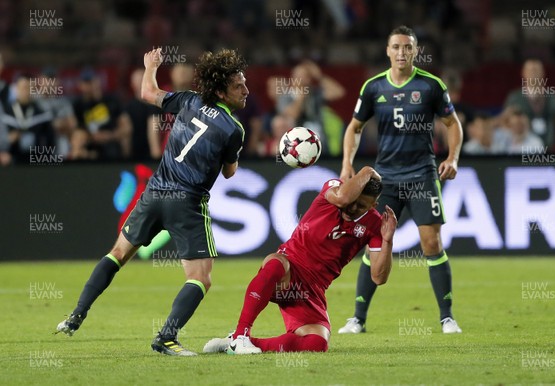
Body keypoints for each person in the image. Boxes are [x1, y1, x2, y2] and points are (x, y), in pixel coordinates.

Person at [55, 47, 249, 357]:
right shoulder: (233, 129)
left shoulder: (187, 99)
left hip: (155, 192)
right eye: (239, 85)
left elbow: (148, 92)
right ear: (222, 90)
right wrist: (231, 158)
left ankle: (76, 315)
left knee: (118, 254)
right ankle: (166, 338)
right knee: (200, 278)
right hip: (187, 202)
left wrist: (151, 66)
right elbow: (228, 172)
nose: (246, 90)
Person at [338, 25, 464, 335]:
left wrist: (452, 157)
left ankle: (447, 317)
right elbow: (354, 127)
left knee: (431, 242)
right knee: (375, 247)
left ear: (415, 51)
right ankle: (358, 319)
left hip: (422, 174)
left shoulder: (431, 86)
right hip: (386, 178)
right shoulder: (373, 88)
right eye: (396, 47)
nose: (401, 53)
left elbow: (452, 123)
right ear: (387, 50)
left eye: (407, 47)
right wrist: (346, 165)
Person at [203, 167, 397, 354]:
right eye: (354, 200)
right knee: (275, 264)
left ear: (373, 206)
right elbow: (343, 197)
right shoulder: (333, 189)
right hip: (290, 267)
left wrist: (388, 240)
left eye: (361, 206)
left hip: (312, 289)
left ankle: (239, 344)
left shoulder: (374, 224)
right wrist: (368, 171)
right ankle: (241, 334)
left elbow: (379, 277)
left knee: (317, 342)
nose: (352, 207)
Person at [503, 59, 555, 147]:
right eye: (531, 70)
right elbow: (505, 121)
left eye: (536, 70)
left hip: (550, 147)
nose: (533, 73)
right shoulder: (515, 97)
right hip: (524, 149)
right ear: (523, 73)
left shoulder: (552, 96)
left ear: (543, 73)